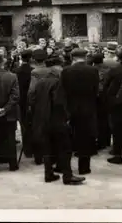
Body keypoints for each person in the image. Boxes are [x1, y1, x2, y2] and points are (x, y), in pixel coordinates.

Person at [29, 56, 85, 185]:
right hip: (56, 119)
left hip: (42, 119)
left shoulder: (40, 82)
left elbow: (31, 99)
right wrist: (67, 117)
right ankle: (67, 175)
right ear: (56, 67)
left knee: (47, 147)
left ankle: (48, 174)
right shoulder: (58, 83)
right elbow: (59, 102)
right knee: (65, 147)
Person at [60, 48, 100, 175]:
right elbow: (96, 89)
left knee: (68, 137)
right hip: (88, 107)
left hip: (70, 108)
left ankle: (66, 167)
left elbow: (63, 91)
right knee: (86, 137)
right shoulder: (93, 70)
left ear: (72, 57)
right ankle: (84, 167)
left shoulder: (66, 71)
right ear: (86, 56)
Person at [27, 49, 53, 164]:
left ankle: (39, 156)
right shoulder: (52, 71)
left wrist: (31, 103)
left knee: (38, 130)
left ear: (33, 59)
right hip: (51, 102)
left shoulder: (35, 72)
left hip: (39, 104)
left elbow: (32, 90)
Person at [14, 49, 34, 158]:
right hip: (31, 100)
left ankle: (27, 149)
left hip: (21, 100)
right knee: (34, 123)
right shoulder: (33, 70)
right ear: (31, 58)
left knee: (24, 125)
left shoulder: (16, 71)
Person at [91, 53, 111, 151]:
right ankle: (106, 140)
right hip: (106, 97)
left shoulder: (92, 70)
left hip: (96, 97)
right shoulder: (108, 70)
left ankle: (99, 141)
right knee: (105, 119)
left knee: (98, 119)